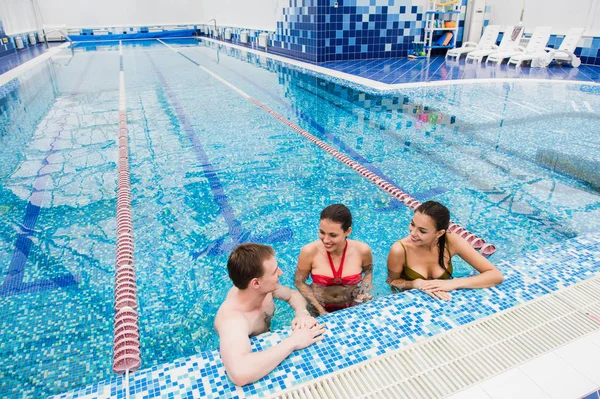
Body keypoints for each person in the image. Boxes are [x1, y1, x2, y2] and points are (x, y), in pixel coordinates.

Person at [214, 243, 326, 386]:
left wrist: (301, 313)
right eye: (274, 272)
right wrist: (293, 341)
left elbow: (292, 295)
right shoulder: (232, 319)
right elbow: (239, 373)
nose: (280, 272)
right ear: (255, 283)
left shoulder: (264, 289)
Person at [387, 201, 503, 300]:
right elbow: (392, 282)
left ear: (440, 233)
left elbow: (495, 275)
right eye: (412, 224)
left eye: (422, 231)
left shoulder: (451, 241)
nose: (413, 233)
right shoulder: (400, 249)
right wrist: (414, 283)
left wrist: (454, 283)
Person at [294, 204, 373, 315]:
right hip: (318, 307)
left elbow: (368, 272)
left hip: (352, 306)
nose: (326, 240)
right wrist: (319, 309)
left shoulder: (362, 250)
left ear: (348, 231)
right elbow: (299, 282)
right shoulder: (309, 252)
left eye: (333, 235)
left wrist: (363, 291)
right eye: (322, 232)